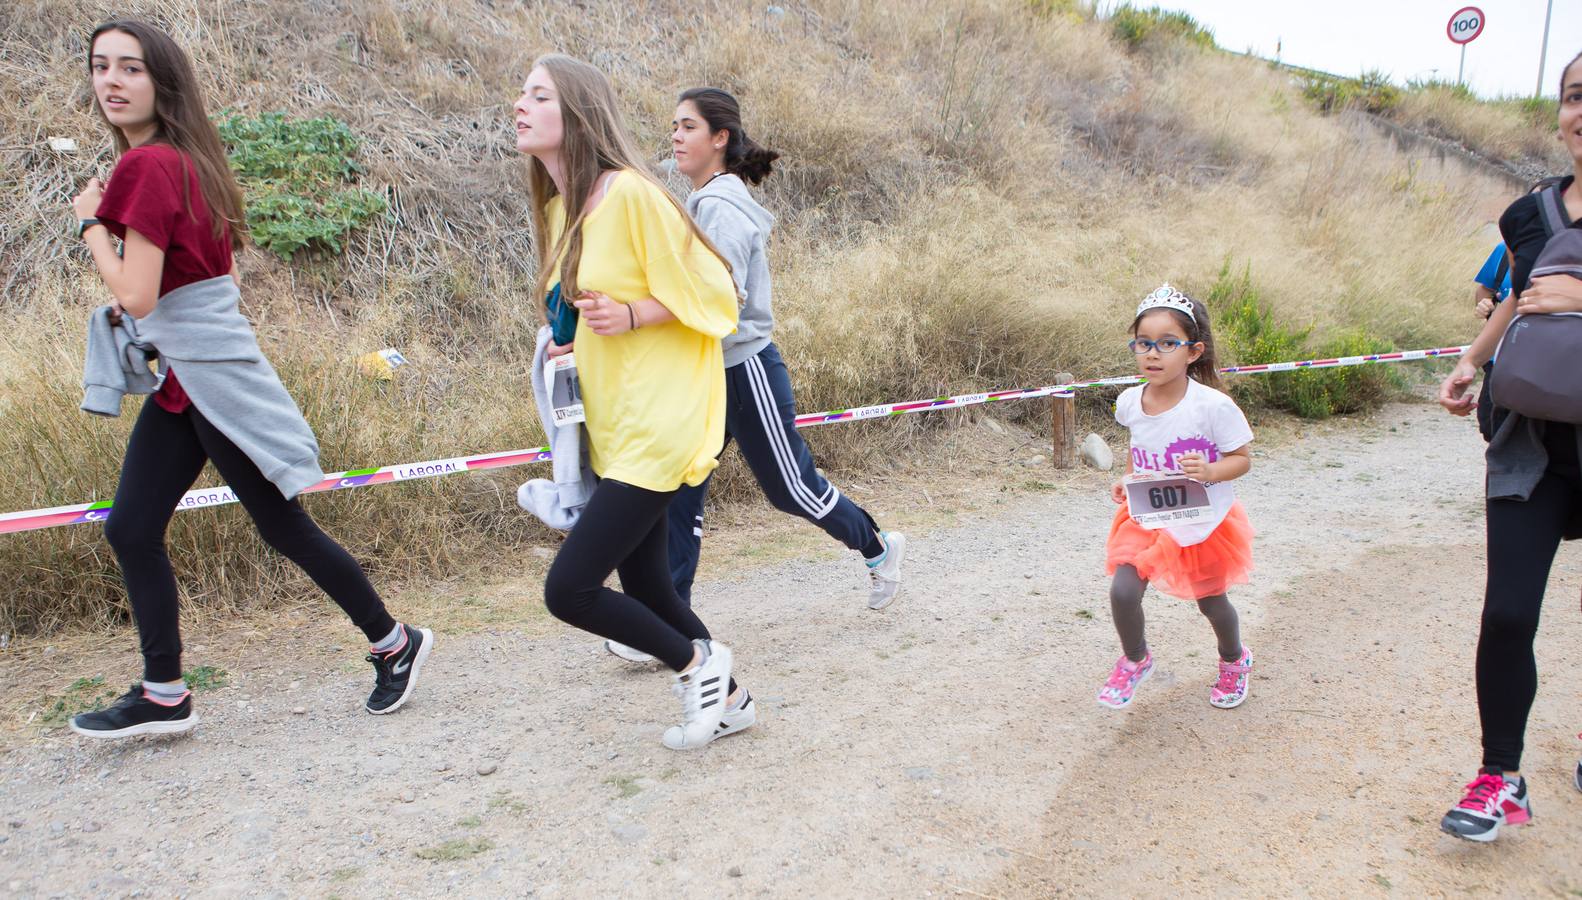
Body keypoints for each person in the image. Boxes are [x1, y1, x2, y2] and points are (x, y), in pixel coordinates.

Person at [67, 20, 431, 740]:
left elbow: (138, 295)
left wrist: (89, 227)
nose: (111, 81)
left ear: (161, 81)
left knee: (272, 525)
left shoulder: (147, 167)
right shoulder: (192, 160)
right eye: (101, 66)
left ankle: (394, 643)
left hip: (205, 375)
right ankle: (164, 691)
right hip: (192, 378)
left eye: (130, 69)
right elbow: (191, 278)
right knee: (136, 527)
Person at [614, 88, 903, 657]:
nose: (675, 135)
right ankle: (668, 622)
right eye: (673, 125)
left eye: (688, 126)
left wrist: (638, 320)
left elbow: (719, 300)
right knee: (678, 489)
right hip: (703, 372)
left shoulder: (721, 207)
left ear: (719, 139)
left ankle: (877, 546)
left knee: (790, 488)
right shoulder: (700, 201)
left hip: (744, 371)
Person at [517, 54, 754, 749]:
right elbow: (594, 307)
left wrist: (635, 316)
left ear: (577, 113)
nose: (520, 106)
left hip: (665, 420)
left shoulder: (630, 194)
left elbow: (720, 293)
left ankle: (699, 666)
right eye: (522, 95)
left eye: (538, 96)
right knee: (650, 586)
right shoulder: (566, 205)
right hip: (619, 425)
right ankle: (731, 701)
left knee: (570, 590)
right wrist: (571, 341)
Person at [1436, 49, 1582, 843]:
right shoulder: (1531, 213)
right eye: (1575, 96)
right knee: (1507, 614)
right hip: (1529, 442)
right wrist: (1472, 359)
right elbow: (1524, 295)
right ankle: (1502, 775)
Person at [1095, 285, 1255, 711]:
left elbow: (1242, 459)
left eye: (1167, 343)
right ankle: (1135, 659)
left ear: (1193, 351)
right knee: (1124, 591)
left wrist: (1212, 471)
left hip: (1203, 520)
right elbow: (1139, 444)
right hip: (1148, 512)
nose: (1153, 353)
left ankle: (1234, 660)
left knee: (1213, 604)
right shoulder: (1130, 401)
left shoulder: (1212, 406)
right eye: (1144, 343)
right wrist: (1128, 477)